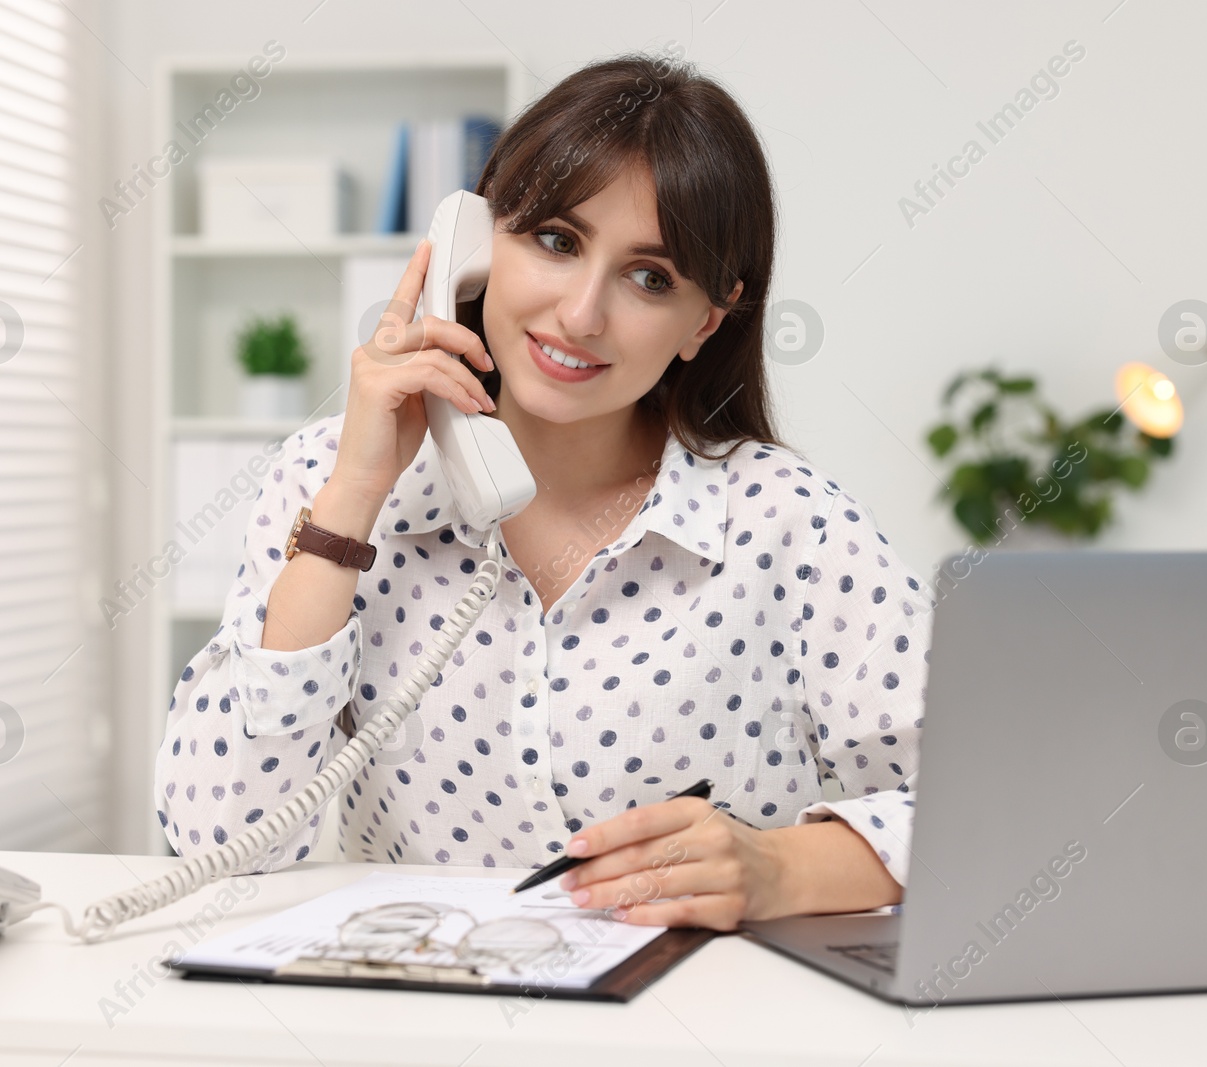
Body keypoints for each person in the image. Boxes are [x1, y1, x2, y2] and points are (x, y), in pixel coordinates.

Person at [154, 50, 935, 932]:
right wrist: (355, 496)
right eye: (556, 241)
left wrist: (776, 868)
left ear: (704, 322)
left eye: (652, 278)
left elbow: (993, 802)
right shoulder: (327, 480)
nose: (581, 315)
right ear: (478, 249)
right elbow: (218, 845)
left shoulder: (785, 520)